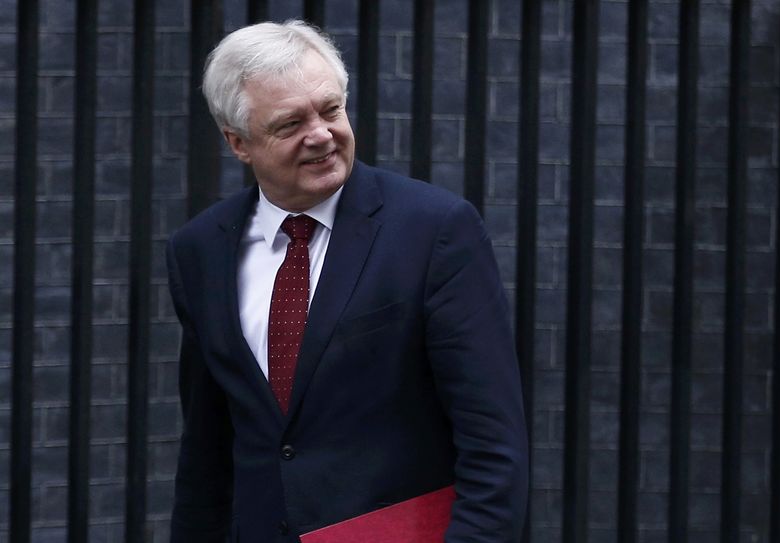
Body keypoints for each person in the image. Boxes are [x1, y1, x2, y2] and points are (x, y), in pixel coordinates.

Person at [166, 20, 528, 543]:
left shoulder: (434, 231)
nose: (321, 135)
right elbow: (207, 449)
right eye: (290, 124)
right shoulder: (199, 250)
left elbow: (494, 445)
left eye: (330, 109)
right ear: (239, 143)